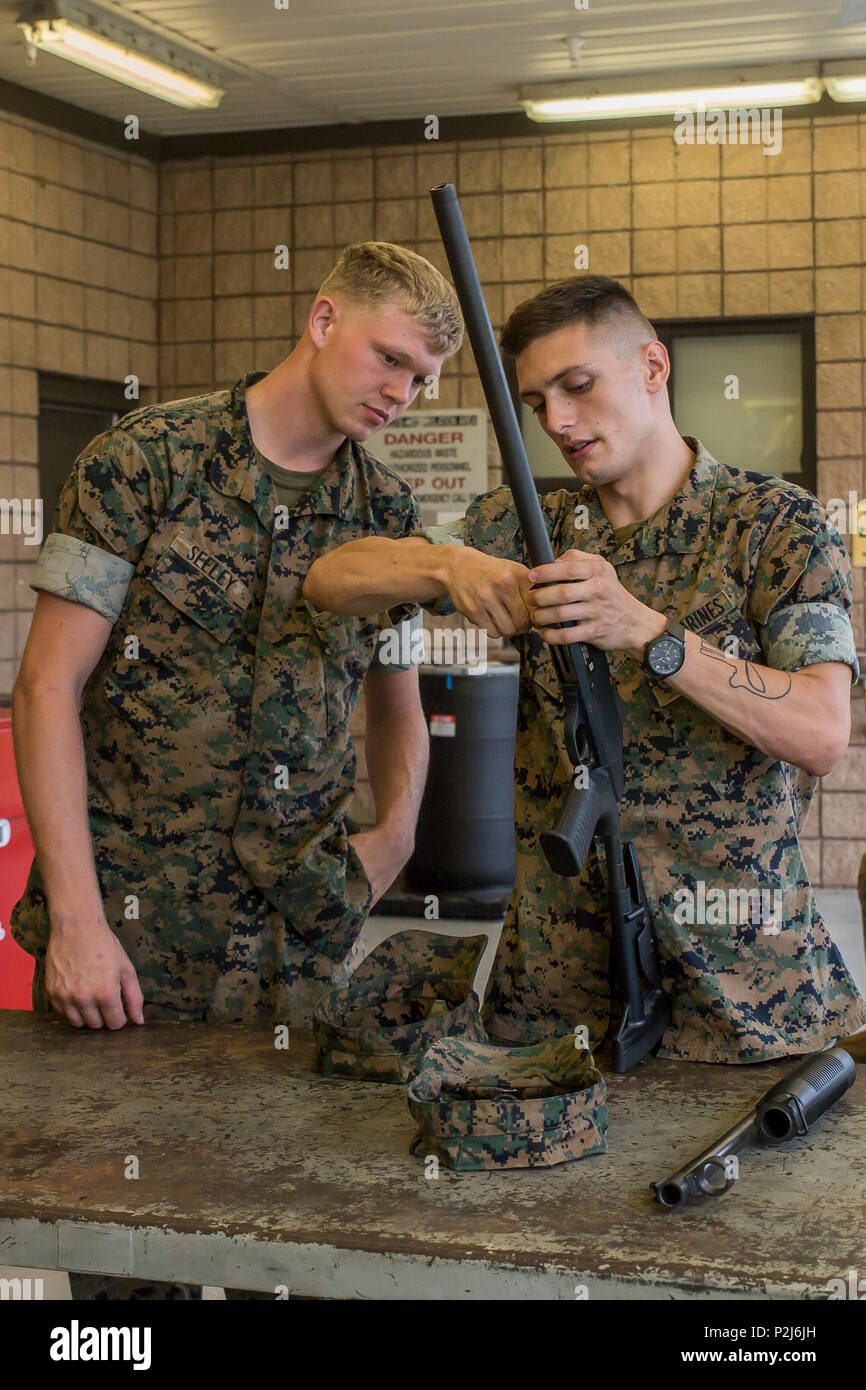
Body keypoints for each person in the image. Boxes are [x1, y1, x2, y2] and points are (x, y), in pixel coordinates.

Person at [11, 240, 464, 1298]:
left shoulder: (383, 515)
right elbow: (45, 690)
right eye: (388, 359)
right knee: (124, 1254)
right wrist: (77, 919)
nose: (402, 394)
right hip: (131, 941)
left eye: (422, 380)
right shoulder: (145, 462)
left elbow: (395, 698)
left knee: (287, 1242)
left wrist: (392, 839)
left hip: (293, 937)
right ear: (319, 320)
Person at [304, 273, 866, 1065]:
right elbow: (331, 578)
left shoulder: (774, 526)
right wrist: (450, 567)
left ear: (653, 368)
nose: (559, 422)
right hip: (553, 1007)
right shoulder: (522, 527)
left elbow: (819, 730)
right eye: (537, 403)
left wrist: (646, 632)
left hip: (749, 999)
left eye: (578, 386)